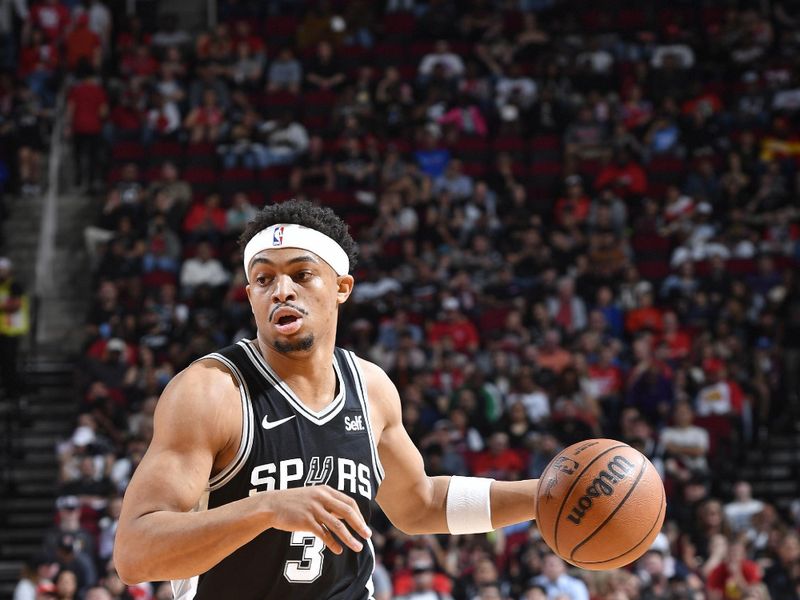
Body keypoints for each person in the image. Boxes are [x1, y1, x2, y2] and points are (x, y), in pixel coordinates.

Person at [114, 199, 540, 599]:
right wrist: (266, 508)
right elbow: (134, 554)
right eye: (264, 279)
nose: (281, 290)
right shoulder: (210, 390)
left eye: (301, 274)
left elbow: (421, 504)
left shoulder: (371, 389)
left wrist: (542, 497)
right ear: (250, 297)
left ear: (342, 287)